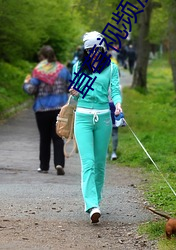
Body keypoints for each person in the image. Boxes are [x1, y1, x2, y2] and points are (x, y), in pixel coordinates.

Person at [69, 31, 122, 223]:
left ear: (102, 49)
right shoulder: (78, 67)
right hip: (82, 118)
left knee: (100, 164)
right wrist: (74, 92)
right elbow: (75, 96)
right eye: (89, 50)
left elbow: (115, 90)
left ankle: (96, 201)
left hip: (104, 118)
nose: (93, 53)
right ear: (85, 50)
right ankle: (91, 205)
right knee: (88, 163)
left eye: (96, 49)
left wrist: (118, 104)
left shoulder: (111, 68)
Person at [23, 45, 71, 175]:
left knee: (44, 138)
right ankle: (59, 163)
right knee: (58, 136)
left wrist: (26, 83)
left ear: (42, 57)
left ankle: (44, 167)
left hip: (42, 109)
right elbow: (71, 86)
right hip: (59, 109)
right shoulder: (63, 69)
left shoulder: (38, 71)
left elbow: (31, 90)